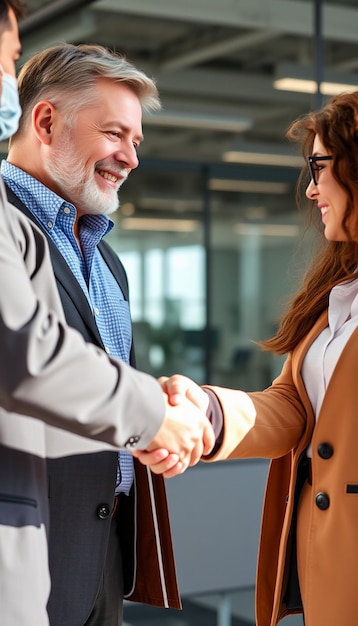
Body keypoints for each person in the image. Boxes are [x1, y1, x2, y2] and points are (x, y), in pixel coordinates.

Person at [0, 6, 215, 625]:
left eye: (137, 141)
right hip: (30, 540)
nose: (131, 157)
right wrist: (150, 417)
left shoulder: (108, 262)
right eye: (115, 133)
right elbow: (28, 364)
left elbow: (101, 390)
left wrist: (153, 418)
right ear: (45, 120)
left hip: (104, 549)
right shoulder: (10, 225)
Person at [135, 90, 358, 626]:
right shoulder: (341, 293)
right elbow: (296, 408)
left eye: (319, 166)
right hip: (327, 564)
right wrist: (206, 411)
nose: (310, 189)